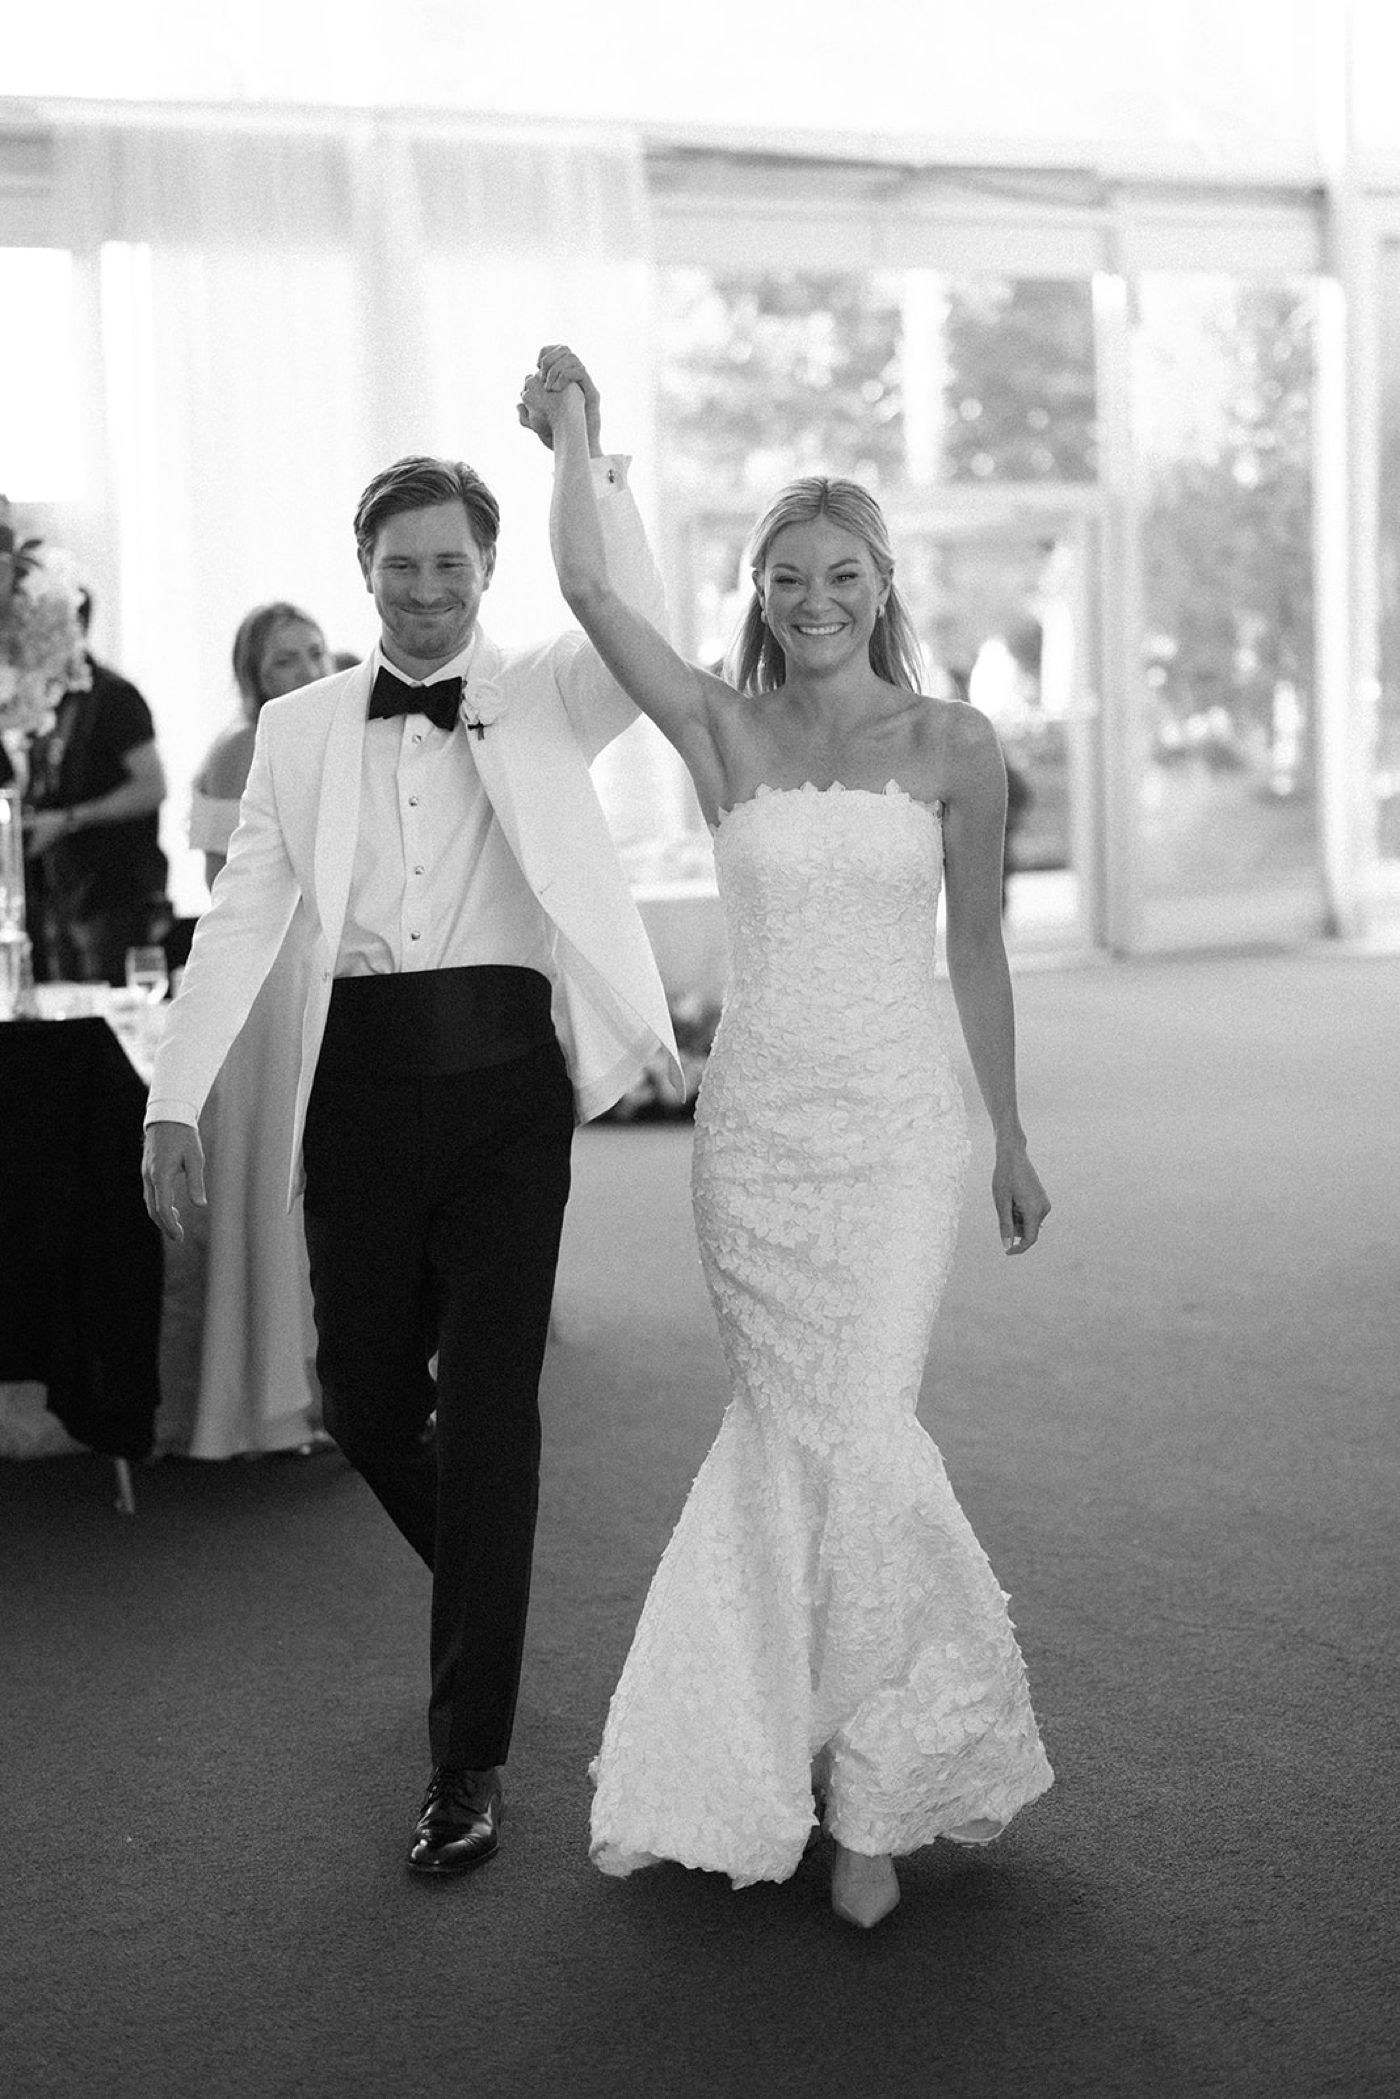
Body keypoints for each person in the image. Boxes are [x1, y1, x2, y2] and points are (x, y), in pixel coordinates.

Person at [524, 368, 1054, 1930]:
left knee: (867, 1426)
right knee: (788, 1429)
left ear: (884, 588)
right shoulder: (722, 724)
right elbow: (578, 579)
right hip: (754, 1140)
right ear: (760, 592)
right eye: (788, 576)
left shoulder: (954, 741)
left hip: (894, 1129)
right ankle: (782, 1749)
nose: (815, 599)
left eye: (844, 575)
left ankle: (877, 1789)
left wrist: (1010, 1128)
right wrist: (570, 430)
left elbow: (980, 955)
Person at [141, 347, 681, 1877]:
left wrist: (586, 447)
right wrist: (173, 1100)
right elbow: (245, 912)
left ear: (490, 565)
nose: (426, 590)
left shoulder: (551, 694)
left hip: (511, 1087)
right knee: (368, 1399)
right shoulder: (303, 727)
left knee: (493, 1407)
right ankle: (485, 1590)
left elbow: (626, 605)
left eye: (451, 564)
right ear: (363, 572)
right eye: (401, 567)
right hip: (362, 1090)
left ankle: (468, 1756)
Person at [157, 605, 332, 1459]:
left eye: (310, 655)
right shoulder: (242, 747)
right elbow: (233, 888)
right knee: (271, 1178)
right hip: (268, 984)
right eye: (280, 663)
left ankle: (331, 1381)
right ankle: (268, 1398)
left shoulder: (336, 731)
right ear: (252, 677)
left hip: (329, 971)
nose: (302, 673)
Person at [23, 593, 171, 984]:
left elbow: (152, 786)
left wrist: (69, 820)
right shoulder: (51, 703)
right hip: (66, 895)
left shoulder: (113, 697)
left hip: (115, 894)